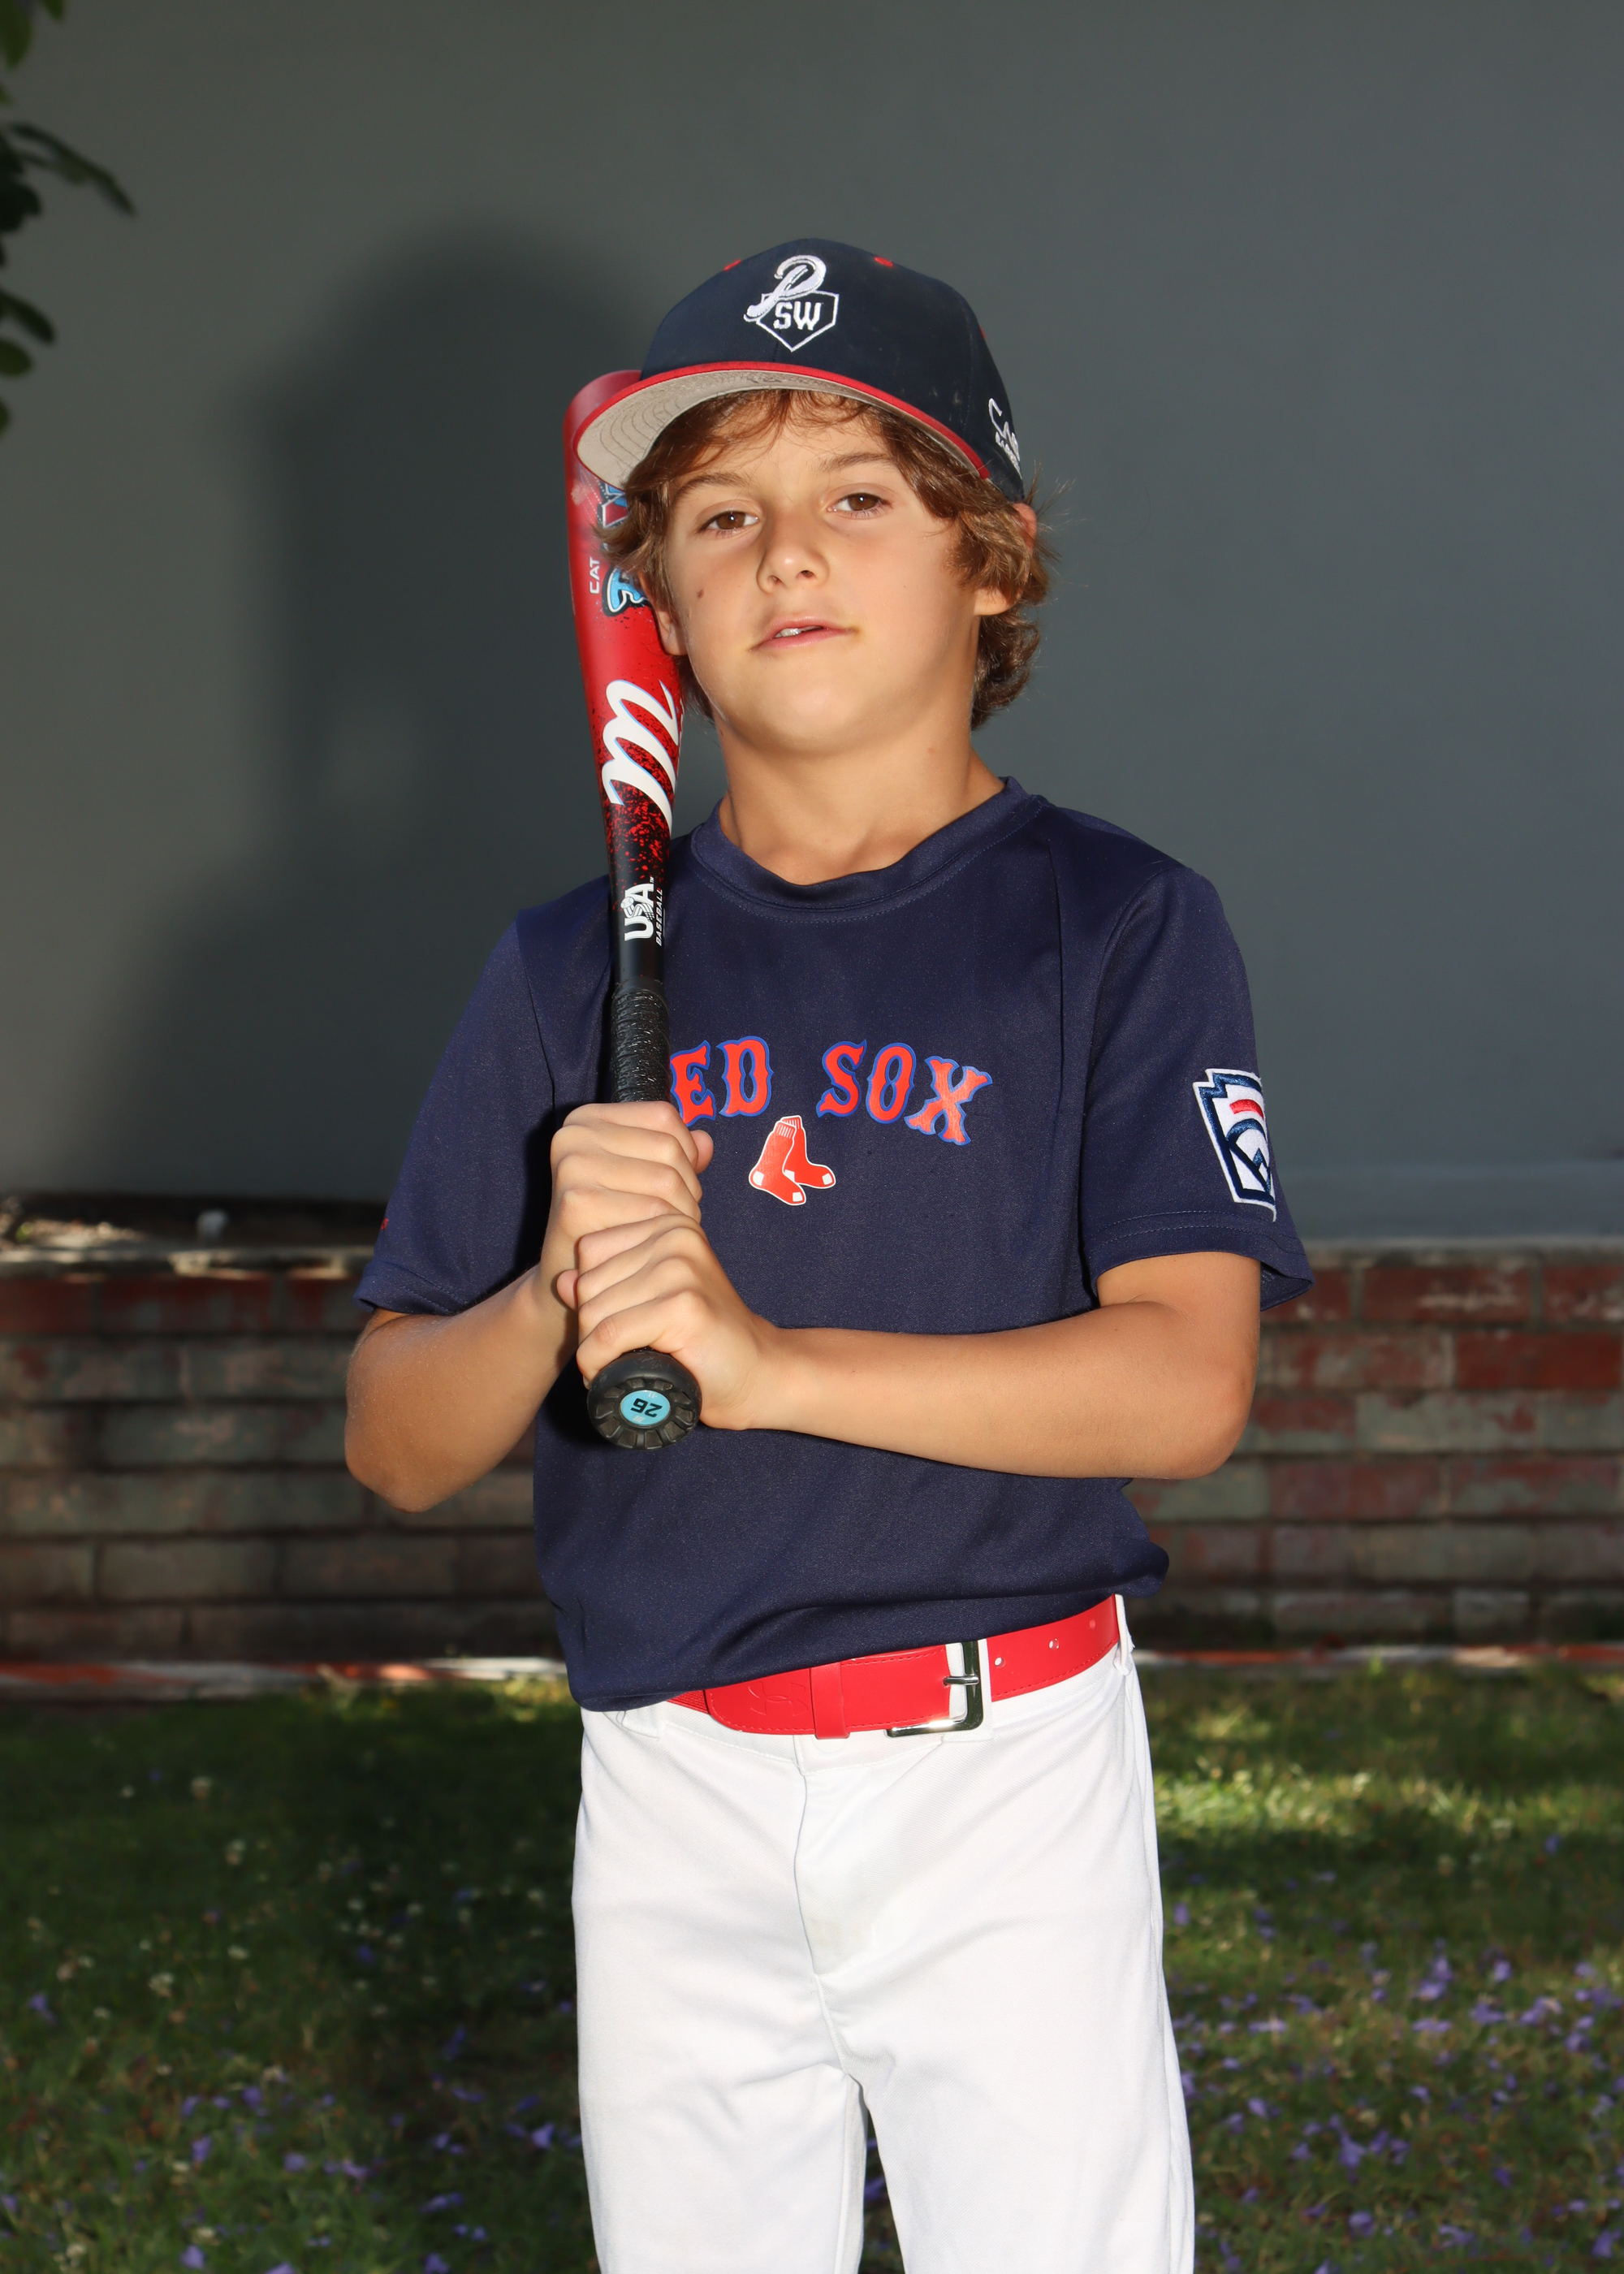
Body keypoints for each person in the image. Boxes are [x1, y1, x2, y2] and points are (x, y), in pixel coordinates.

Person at [346, 240, 1312, 2274]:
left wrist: (766, 1358)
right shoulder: (566, 967)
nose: (784, 551)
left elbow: (1184, 1383)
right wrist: (553, 1290)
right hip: (668, 1770)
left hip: (1000, 1763)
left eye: (857, 494)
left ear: (990, 561)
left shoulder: (1118, 922)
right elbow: (396, 1438)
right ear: (660, 608)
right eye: (718, 515)